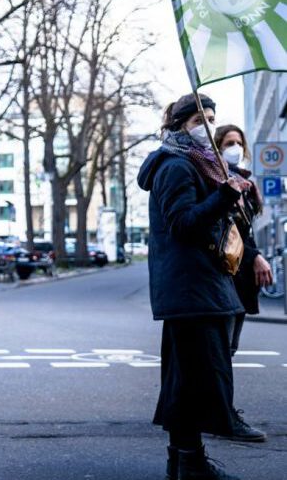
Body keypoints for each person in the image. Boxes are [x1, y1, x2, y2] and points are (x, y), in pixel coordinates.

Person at [138, 93, 245, 480]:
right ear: (182, 123)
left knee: (187, 381)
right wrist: (223, 196)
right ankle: (190, 462)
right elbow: (182, 224)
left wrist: (227, 194)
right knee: (194, 381)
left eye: (214, 118)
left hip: (196, 289)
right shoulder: (176, 166)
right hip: (191, 290)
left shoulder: (197, 163)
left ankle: (184, 461)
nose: (210, 127)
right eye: (202, 119)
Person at [214, 124, 270, 443]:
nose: (234, 147)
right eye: (228, 142)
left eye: (238, 142)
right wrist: (257, 256)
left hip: (240, 274)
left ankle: (219, 411)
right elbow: (227, 234)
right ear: (217, 147)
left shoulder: (246, 184)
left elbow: (245, 233)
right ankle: (223, 414)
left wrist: (254, 255)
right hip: (226, 275)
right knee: (221, 350)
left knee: (227, 349)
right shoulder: (219, 181)